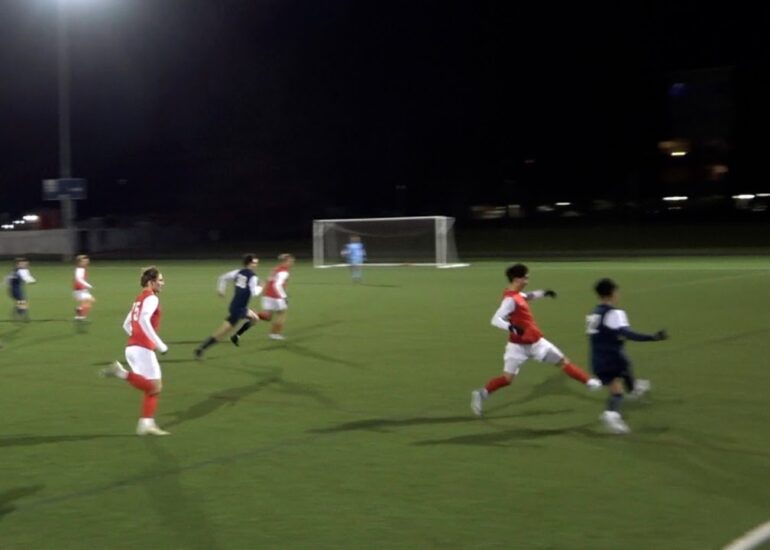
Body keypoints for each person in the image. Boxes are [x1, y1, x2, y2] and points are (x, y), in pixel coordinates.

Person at [471, 263, 601, 417]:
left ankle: (589, 382)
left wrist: (544, 293)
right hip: (517, 347)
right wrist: (512, 328)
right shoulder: (510, 300)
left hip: (537, 343)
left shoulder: (518, 295)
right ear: (517, 279)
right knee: (507, 379)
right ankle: (481, 394)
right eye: (525, 278)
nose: (527, 280)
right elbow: (495, 319)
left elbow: (529, 296)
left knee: (563, 361)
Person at [587, 278, 668, 434]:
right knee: (623, 374)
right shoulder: (615, 313)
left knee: (617, 386)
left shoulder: (593, 313)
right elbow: (628, 334)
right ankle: (616, 409)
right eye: (617, 291)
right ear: (612, 293)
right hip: (613, 358)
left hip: (597, 360)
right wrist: (653, 337)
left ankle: (620, 404)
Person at [100, 266, 170, 436]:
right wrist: (160, 344)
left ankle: (146, 424)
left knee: (151, 387)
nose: (163, 283)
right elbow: (144, 319)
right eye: (160, 280)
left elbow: (126, 324)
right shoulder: (152, 298)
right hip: (142, 348)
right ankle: (120, 372)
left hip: (132, 347)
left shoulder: (139, 299)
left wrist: (137, 336)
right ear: (151, 282)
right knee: (155, 386)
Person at [195, 254, 263, 359]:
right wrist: (261, 287)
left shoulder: (238, 272)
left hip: (238, 306)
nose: (256, 265)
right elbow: (254, 293)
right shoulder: (253, 277)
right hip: (238, 310)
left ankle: (236, 336)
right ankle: (201, 349)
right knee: (222, 332)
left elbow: (223, 278)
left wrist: (221, 289)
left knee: (255, 319)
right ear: (249, 263)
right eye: (255, 263)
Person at [259, 253, 295, 340]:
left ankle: (251, 315)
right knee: (281, 314)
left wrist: (263, 288)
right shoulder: (284, 272)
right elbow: (277, 285)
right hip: (277, 296)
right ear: (285, 262)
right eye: (290, 261)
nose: (292, 263)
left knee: (268, 316)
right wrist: (284, 297)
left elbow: (268, 279)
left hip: (267, 294)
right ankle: (275, 334)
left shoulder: (276, 268)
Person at [73, 254, 95, 322]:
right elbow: (79, 279)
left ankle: (80, 310)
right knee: (90, 301)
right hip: (79, 290)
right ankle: (81, 315)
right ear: (79, 262)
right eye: (84, 261)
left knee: (89, 301)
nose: (86, 262)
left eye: (86, 261)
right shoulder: (80, 270)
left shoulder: (82, 269)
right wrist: (88, 285)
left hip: (82, 290)